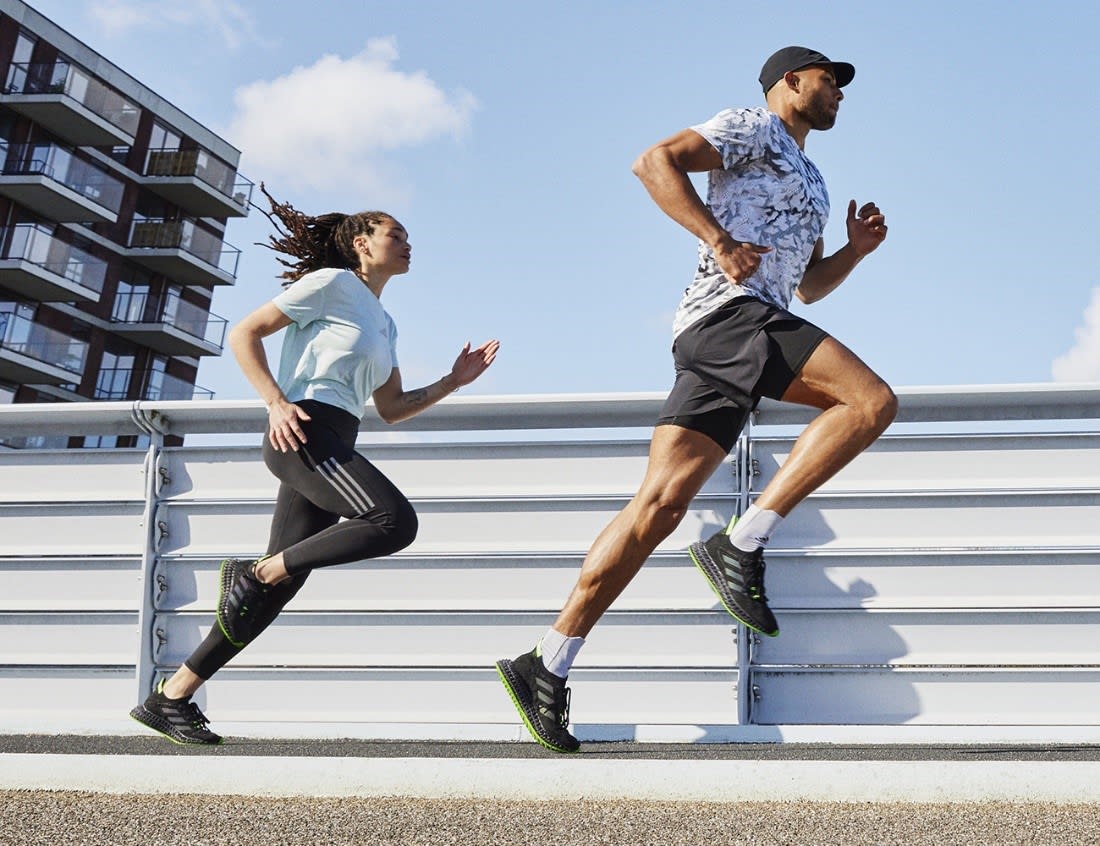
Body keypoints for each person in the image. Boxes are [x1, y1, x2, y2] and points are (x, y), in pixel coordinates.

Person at [496, 46, 896, 753]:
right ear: (790, 83)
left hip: (739, 328)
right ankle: (740, 543)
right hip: (732, 316)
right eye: (829, 81)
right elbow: (653, 161)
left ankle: (547, 661)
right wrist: (717, 239)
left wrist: (855, 252)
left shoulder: (816, 180)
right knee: (869, 403)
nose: (839, 93)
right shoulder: (751, 127)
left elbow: (806, 289)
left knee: (658, 506)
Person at [130, 186, 500, 744]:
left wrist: (453, 381)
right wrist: (276, 402)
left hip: (336, 436)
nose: (407, 243)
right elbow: (244, 333)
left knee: (282, 583)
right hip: (302, 431)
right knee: (393, 522)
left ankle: (171, 695)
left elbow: (393, 409)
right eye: (394, 234)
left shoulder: (384, 322)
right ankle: (254, 573)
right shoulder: (330, 285)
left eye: (408, 237)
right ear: (361, 243)